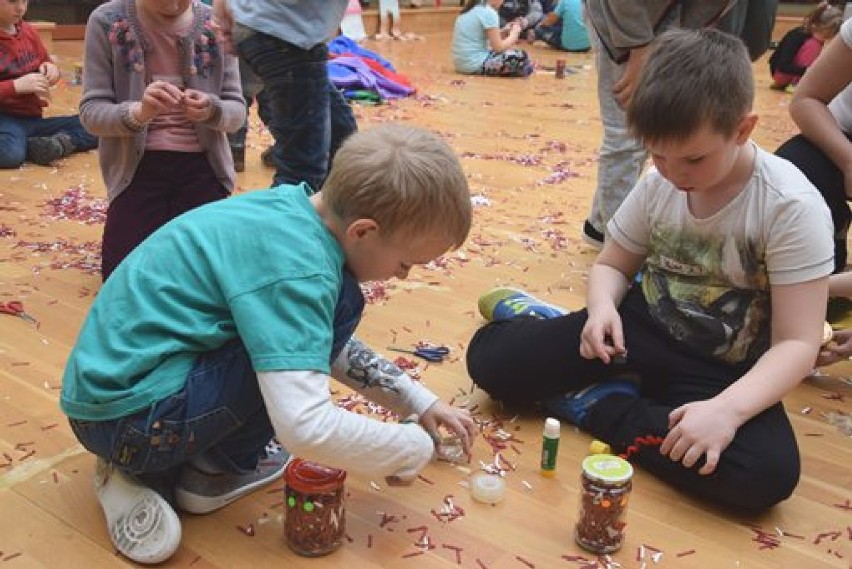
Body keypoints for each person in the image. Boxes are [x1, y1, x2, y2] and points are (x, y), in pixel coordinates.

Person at [60, 124, 477, 565]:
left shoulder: (291, 211)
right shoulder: (304, 270)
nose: (402, 275)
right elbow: (306, 427)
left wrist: (417, 400)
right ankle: (206, 472)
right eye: (406, 263)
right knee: (341, 303)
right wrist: (411, 447)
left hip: (110, 403)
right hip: (138, 422)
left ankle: (150, 471)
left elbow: (313, 341)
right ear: (363, 232)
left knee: (314, 321)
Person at [466, 28, 834, 512]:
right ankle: (585, 356)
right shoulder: (661, 180)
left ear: (743, 130)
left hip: (721, 367)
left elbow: (797, 342)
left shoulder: (790, 206)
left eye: (694, 159)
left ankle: (600, 404)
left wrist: (726, 410)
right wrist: (600, 310)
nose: (674, 173)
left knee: (764, 475)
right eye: (657, 155)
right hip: (636, 331)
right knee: (489, 360)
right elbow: (612, 264)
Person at [80, 0, 245, 281]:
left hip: (203, 166)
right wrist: (139, 112)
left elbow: (237, 111)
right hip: (137, 169)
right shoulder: (107, 21)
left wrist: (211, 110)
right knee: (123, 277)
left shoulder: (214, 23)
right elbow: (91, 113)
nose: (173, 3)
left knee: (209, 278)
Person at [580, 0, 733, 249]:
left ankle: (601, 226)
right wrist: (639, 48)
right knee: (627, 134)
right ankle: (619, 244)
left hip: (670, 22)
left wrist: (678, 45)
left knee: (643, 132)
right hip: (623, 21)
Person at [211, 0, 358, 192]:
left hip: (268, 26)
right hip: (286, 33)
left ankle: (330, 211)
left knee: (340, 133)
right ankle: (283, 218)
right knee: (302, 170)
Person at [776, 15, 852, 275]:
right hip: (843, 135)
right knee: (789, 175)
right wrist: (848, 161)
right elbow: (806, 99)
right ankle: (827, 255)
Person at [0, 0, 97, 168]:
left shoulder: (28, 31)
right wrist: (15, 86)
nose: (21, 8)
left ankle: (57, 144)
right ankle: (27, 146)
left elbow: (44, 60)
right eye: (12, 1)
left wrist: (50, 69)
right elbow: (17, 85)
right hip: (5, 119)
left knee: (98, 124)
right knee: (10, 155)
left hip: (32, 119)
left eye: (24, 0)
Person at [769, 2, 842, 91]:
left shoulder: (808, 34)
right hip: (781, 72)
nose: (824, 40)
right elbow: (782, 65)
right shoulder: (800, 37)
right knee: (814, 45)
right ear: (816, 26)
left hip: (784, 72)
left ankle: (795, 81)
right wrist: (809, 71)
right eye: (824, 36)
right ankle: (796, 83)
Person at [452, 0, 533, 77]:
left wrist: (504, 30)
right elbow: (498, 47)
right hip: (474, 65)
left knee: (514, 56)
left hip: (460, 64)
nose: (502, 2)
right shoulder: (489, 12)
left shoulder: (471, 8)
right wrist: (514, 34)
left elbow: (486, 38)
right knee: (522, 56)